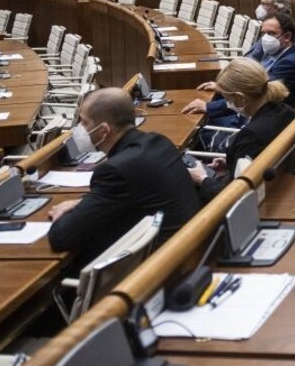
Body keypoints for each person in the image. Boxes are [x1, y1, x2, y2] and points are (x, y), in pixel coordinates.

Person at [47, 88, 200, 263]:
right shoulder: (159, 142)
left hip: (157, 265)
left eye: (84, 122)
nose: (78, 128)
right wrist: (83, 204)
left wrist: (61, 214)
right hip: (188, 250)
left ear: (103, 130)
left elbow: (61, 238)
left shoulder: (115, 171)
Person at [187, 58, 295, 204]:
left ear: (240, 98)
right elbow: (254, 158)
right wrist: (230, 162)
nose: (227, 103)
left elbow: (234, 196)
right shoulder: (285, 111)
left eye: (227, 98)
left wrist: (203, 179)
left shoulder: (251, 136)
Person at [183, 12, 295, 120]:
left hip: (261, 117)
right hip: (253, 110)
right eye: (264, 33)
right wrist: (223, 87)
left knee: (196, 119)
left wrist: (208, 107)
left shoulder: (290, 63)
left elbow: (256, 95)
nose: (265, 38)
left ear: (287, 37)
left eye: (271, 33)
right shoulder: (276, 52)